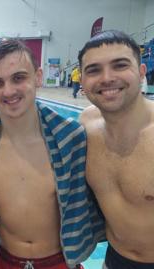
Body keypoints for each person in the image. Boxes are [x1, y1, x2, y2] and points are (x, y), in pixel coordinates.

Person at [0, 39, 104, 269]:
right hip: (4, 261)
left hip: (61, 262)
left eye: (18, 78)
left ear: (38, 77)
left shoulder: (70, 138)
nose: (8, 91)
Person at [78, 30, 154, 269]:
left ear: (141, 72)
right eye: (94, 70)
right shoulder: (86, 125)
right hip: (113, 260)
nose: (107, 78)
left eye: (120, 65)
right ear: (82, 81)